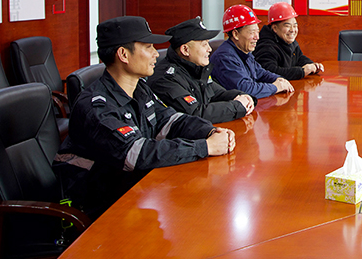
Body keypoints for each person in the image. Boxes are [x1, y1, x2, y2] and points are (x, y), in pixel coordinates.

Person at [56, 16, 234, 219]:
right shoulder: (96, 107)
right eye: (148, 47)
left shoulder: (139, 88)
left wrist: (209, 131)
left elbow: (170, 120)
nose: (156, 54)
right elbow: (137, 154)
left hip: (134, 191)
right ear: (124, 54)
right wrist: (205, 147)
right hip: (99, 207)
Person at [148, 16, 256, 123]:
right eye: (204, 44)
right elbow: (196, 113)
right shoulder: (165, 79)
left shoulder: (196, 68)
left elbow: (218, 93)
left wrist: (243, 97)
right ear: (185, 50)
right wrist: (238, 106)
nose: (209, 49)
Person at [211, 4, 295, 98]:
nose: (257, 37)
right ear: (236, 34)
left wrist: (279, 79)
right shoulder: (225, 58)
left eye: (257, 32)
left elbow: (260, 73)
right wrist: (275, 87)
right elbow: (246, 89)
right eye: (252, 32)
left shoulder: (244, 52)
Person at [254, 2, 324, 80]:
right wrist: (302, 72)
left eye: (295, 26)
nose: (292, 30)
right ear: (275, 28)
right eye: (287, 26)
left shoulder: (287, 40)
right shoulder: (266, 46)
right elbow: (269, 72)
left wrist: (312, 65)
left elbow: (299, 58)